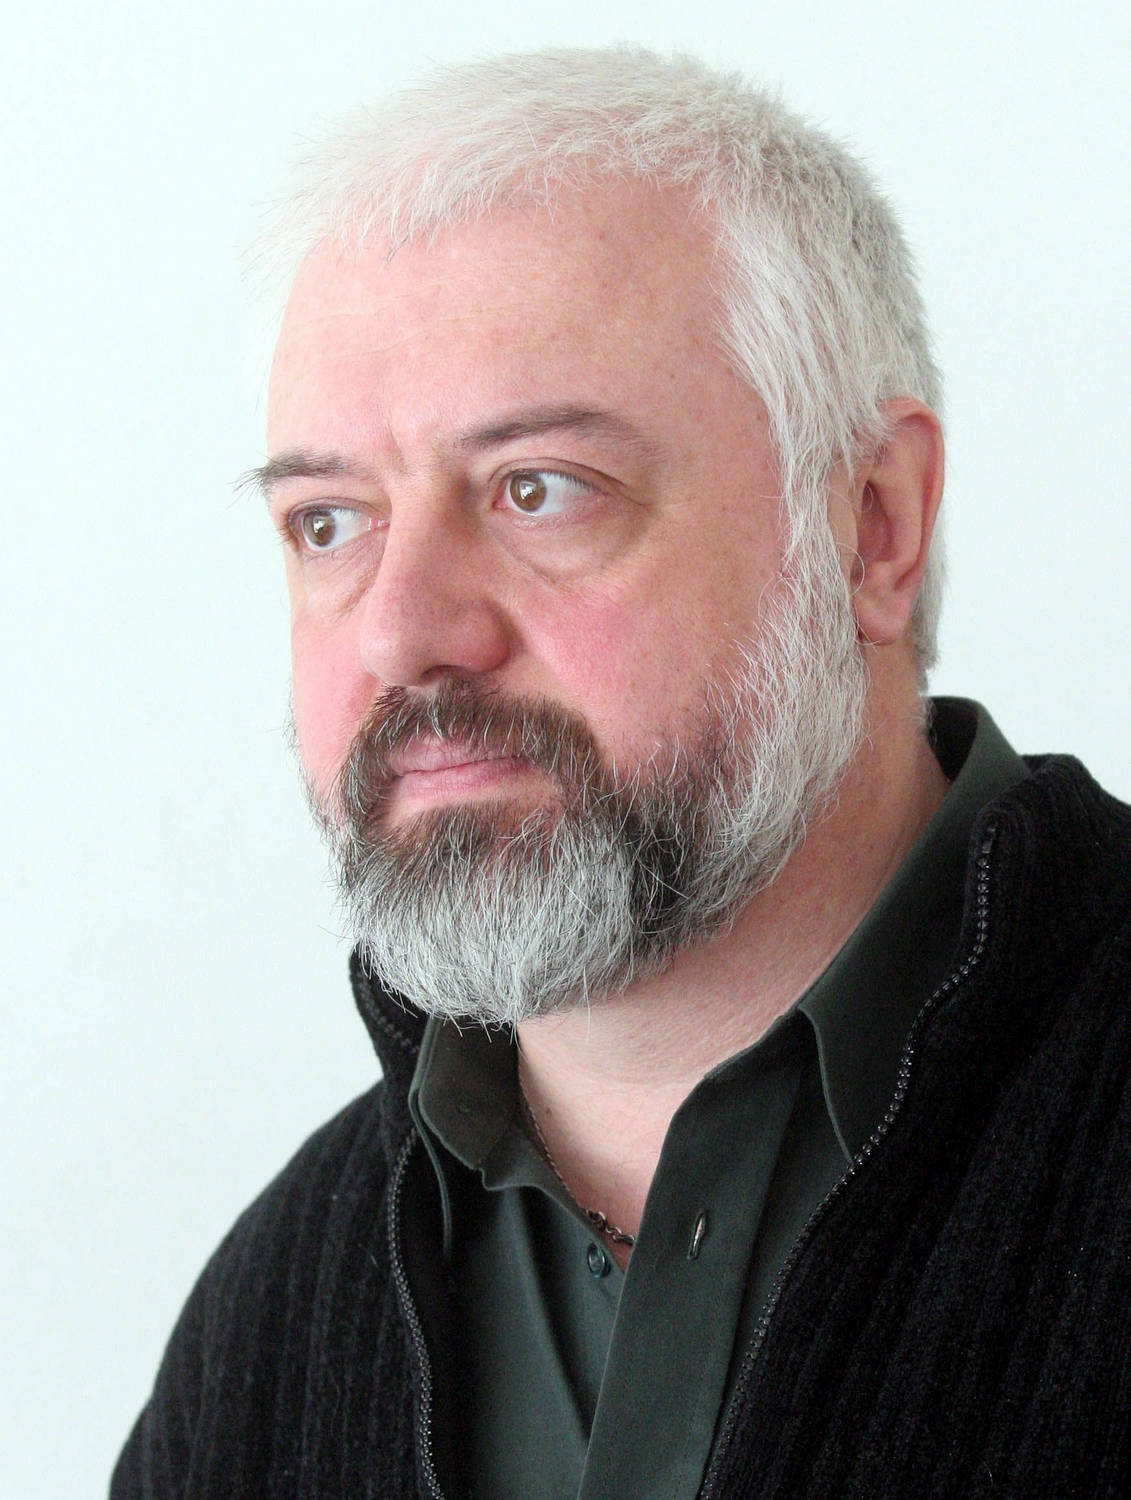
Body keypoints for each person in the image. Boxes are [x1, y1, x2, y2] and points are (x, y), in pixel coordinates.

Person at [112, 46, 1131, 1500]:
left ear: (872, 525)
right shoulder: (274, 1323)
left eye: (538, 489)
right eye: (329, 522)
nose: (402, 632)